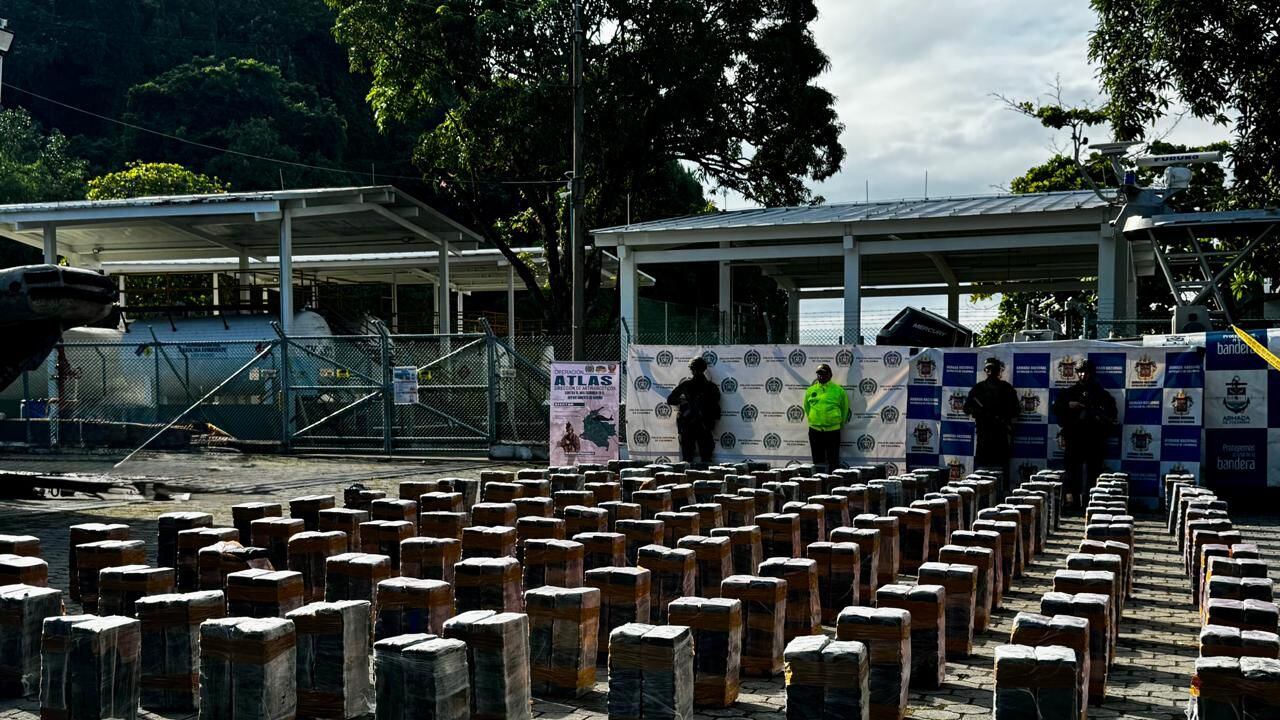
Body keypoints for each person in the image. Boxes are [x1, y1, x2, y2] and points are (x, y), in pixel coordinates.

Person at [1052, 359, 1117, 510]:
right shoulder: (1070, 392)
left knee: (1094, 472)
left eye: (1086, 372)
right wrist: (1070, 405)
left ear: (1091, 373)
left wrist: (1097, 416)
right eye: (1080, 372)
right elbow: (1056, 408)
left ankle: (1091, 501)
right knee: (1072, 471)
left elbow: (1112, 414)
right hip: (1074, 438)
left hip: (1094, 438)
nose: (1083, 375)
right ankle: (1073, 501)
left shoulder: (1101, 394)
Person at [962, 357, 1020, 494]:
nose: (991, 372)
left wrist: (1002, 416)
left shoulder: (1006, 388)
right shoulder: (978, 389)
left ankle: (1002, 493)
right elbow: (967, 408)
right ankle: (982, 494)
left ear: (999, 371)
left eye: (994, 369)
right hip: (984, 434)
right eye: (989, 369)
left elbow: (1016, 410)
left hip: (1001, 434)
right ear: (986, 371)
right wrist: (979, 412)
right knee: (983, 469)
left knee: (1002, 468)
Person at [666, 357, 720, 465]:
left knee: (689, 458)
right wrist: (684, 402)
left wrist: (684, 402)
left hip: (696, 425)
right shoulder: (710, 386)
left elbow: (670, 399)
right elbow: (670, 399)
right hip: (694, 425)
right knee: (703, 459)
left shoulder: (688, 385)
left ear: (692, 370)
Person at [804, 363, 849, 471]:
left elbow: (844, 408)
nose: (821, 376)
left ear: (830, 375)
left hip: (833, 431)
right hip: (815, 430)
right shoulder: (810, 390)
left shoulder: (838, 390)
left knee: (833, 460)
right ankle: (819, 481)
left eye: (824, 374)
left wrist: (840, 422)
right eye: (819, 374)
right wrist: (813, 419)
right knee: (817, 461)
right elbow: (806, 407)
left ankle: (833, 481)